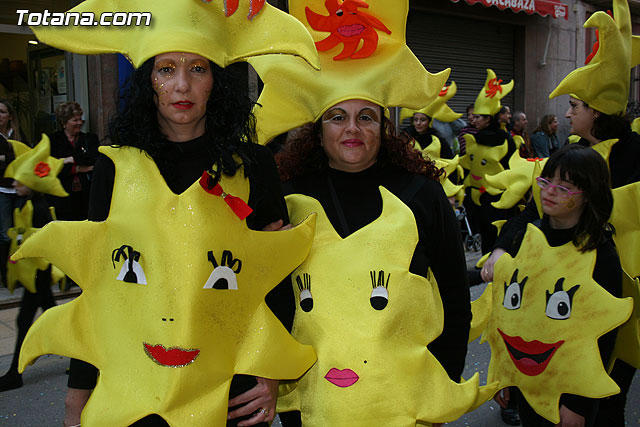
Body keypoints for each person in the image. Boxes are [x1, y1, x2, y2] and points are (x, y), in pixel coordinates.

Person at [27, 0, 321, 426]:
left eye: (197, 69)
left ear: (215, 82)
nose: (182, 85)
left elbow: (273, 280)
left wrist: (270, 372)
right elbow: (98, 285)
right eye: (166, 69)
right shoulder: (115, 165)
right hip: (136, 380)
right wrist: (78, 394)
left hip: (231, 386)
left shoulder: (253, 165)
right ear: (148, 81)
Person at [249, 1, 474, 425]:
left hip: (403, 402)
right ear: (319, 129)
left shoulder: (422, 194)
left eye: (365, 117)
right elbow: (266, 299)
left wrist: (442, 387)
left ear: (382, 128)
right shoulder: (288, 196)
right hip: (313, 400)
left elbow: (454, 296)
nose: (352, 128)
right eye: (338, 117)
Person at [482, 1, 640, 423]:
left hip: (618, 295)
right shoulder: (570, 158)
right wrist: (500, 249)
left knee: (607, 396)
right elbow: (528, 215)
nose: (567, 113)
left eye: (575, 105)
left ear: (596, 110)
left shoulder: (634, 157)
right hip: (554, 299)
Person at [496, 144, 622, 427]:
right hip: (527, 376)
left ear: (588, 194)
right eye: (546, 181)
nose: (550, 191)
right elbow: (511, 316)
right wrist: (506, 375)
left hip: (571, 385)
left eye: (564, 187)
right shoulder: (527, 238)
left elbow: (604, 334)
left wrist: (579, 403)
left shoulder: (599, 253)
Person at [0, 137, 67, 392]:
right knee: (51, 317)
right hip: (37, 273)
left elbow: (43, 243)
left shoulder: (37, 208)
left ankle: (14, 373)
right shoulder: (30, 204)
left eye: (19, 180)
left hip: (38, 273)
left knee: (24, 319)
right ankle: (84, 360)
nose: (14, 184)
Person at [48, 101, 99, 221]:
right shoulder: (53, 141)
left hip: (86, 195)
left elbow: (93, 158)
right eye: (75, 120)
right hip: (62, 198)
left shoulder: (89, 139)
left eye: (80, 119)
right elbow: (53, 167)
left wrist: (70, 159)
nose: (79, 123)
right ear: (64, 123)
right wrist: (78, 168)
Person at [0, 99, 25, 286]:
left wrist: (4, 158)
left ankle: (21, 274)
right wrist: (12, 158)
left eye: (2, 112)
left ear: (10, 116)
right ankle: (6, 275)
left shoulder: (17, 134)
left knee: (21, 233)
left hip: (19, 189)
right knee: (5, 234)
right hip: (2, 190)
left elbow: (27, 156)